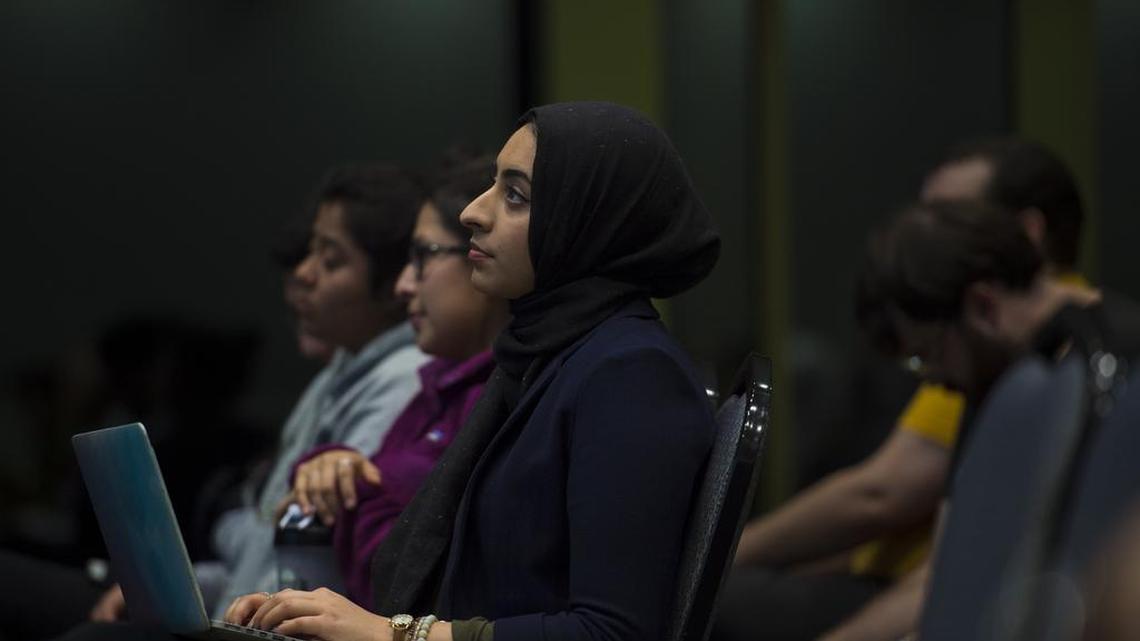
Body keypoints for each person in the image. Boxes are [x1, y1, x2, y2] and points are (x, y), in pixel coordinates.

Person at [204, 101, 722, 641]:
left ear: (585, 223)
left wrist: (399, 635)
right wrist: (319, 618)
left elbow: (616, 632)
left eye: (515, 195)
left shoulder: (631, 375)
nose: (474, 211)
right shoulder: (542, 355)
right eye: (493, 185)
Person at [0, 164, 430, 641]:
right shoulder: (342, 374)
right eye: (311, 254)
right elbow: (263, 549)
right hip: (236, 605)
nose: (305, 275)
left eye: (330, 261)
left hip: (261, 621)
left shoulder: (401, 378)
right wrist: (195, 588)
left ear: (396, 285)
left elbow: (307, 558)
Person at [716, 138, 1091, 641]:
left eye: (947, 214)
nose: (921, 231)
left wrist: (718, 555)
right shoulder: (994, 370)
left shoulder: (1045, 368)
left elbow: (883, 496)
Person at [284, 156, 509, 606]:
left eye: (423, 256)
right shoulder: (436, 386)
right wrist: (329, 466)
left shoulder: (501, 400)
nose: (406, 284)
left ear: (480, 254)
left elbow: (404, 579)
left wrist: (350, 489)